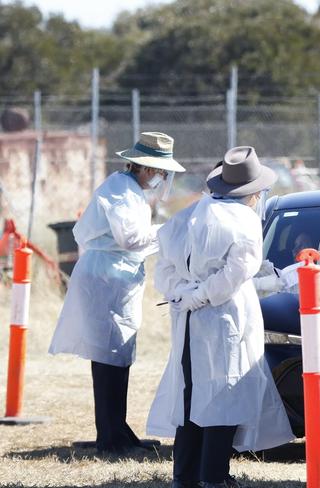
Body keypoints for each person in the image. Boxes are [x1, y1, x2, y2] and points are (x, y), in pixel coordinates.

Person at [147, 146, 294, 488]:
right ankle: (213, 476)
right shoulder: (244, 220)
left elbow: (163, 272)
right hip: (223, 318)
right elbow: (237, 273)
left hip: (186, 320)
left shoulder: (187, 215)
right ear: (254, 192)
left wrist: (183, 295)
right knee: (223, 396)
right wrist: (200, 296)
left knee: (190, 395)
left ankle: (185, 476)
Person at [48, 132, 186, 454]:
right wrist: (169, 232)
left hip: (114, 278)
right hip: (105, 280)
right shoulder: (121, 191)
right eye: (162, 173)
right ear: (149, 169)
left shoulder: (128, 188)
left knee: (117, 358)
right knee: (109, 359)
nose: (162, 179)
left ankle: (118, 431)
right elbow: (131, 239)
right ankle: (110, 438)